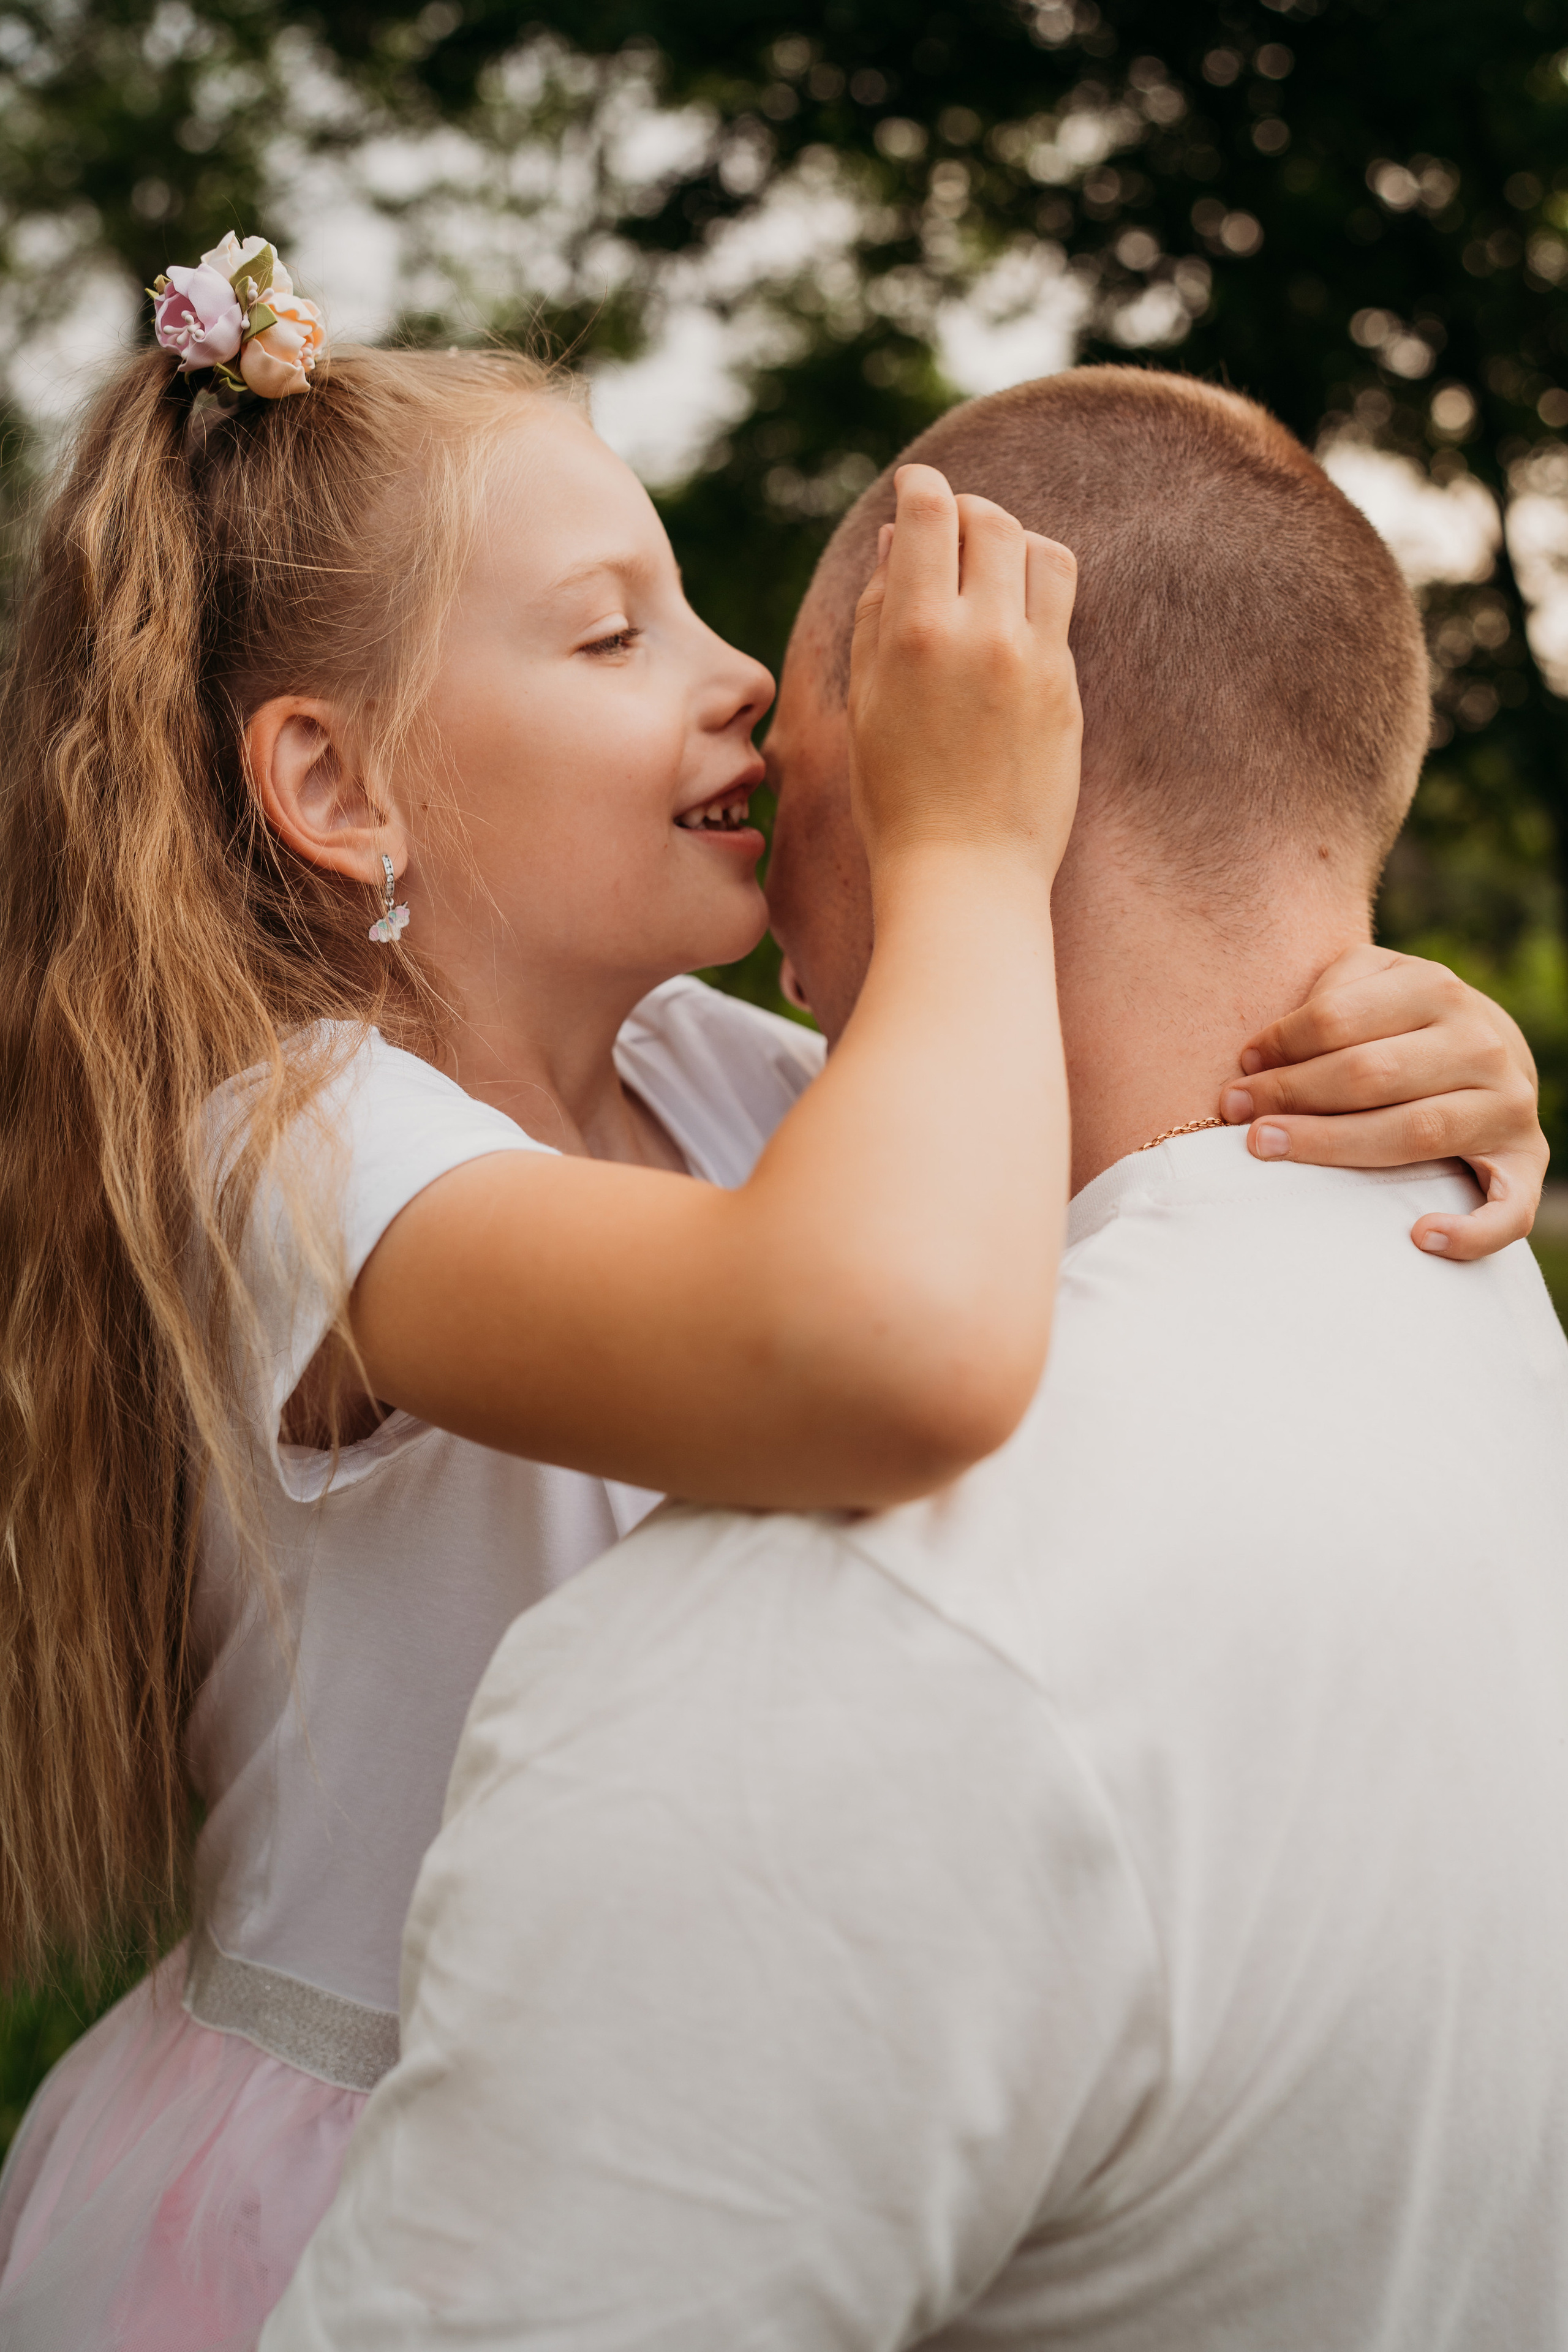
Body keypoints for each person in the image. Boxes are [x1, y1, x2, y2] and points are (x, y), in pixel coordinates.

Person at [262, 368, 1568, 2352]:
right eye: (618, 633)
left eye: (754, 642)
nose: (749, 707)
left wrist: (1416, 1042)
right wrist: (968, 864)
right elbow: (888, 1307)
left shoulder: (728, 1088)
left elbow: (976, 1164)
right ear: (341, 786)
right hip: (331, 2122)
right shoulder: (303, 1140)